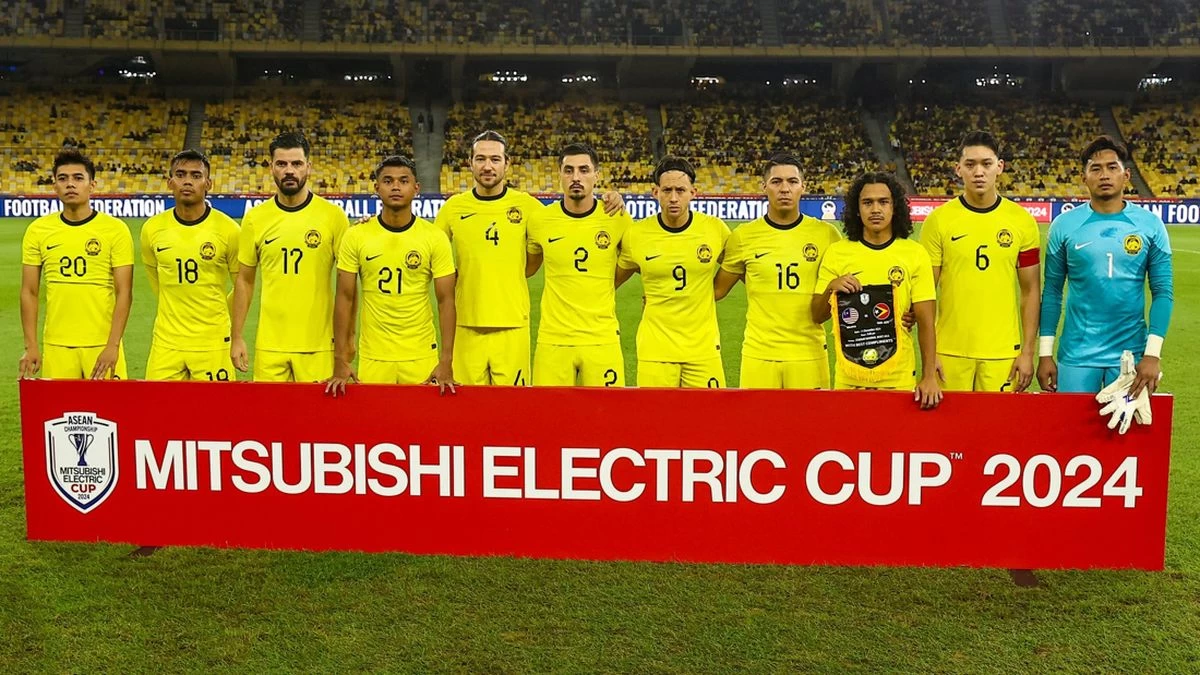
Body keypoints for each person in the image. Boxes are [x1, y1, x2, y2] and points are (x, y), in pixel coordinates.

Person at [433, 130, 624, 386]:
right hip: (465, 326)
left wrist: (613, 196)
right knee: (468, 407)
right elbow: (431, 251)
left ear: (507, 163)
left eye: (495, 159)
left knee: (515, 408)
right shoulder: (453, 208)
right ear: (470, 163)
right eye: (480, 159)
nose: (488, 166)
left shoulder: (530, 208)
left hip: (514, 326)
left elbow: (534, 262)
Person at [1037, 136, 1173, 396]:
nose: (1104, 175)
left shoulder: (1151, 225)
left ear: (1126, 175)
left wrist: (1152, 354)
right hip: (1076, 354)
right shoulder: (1064, 226)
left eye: (1112, 167)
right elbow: (1052, 292)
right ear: (1084, 177)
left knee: (1127, 424)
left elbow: (1163, 292)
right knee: (1072, 424)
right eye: (1096, 168)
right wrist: (1045, 355)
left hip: (1130, 355)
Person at [920, 131, 1041, 392]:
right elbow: (926, 294)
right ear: (958, 169)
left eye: (986, 164)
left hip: (1003, 353)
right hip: (949, 351)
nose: (978, 172)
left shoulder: (1022, 222)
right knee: (949, 421)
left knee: (998, 421)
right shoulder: (937, 221)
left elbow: (1031, 291)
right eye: (970, 164)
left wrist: (1027, 353)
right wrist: (931, 356)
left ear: (1000, 167)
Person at [326, 155, 457, 395]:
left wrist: (447, 360)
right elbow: (344, 298)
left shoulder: (434, 237)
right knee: (374, 420)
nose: (396, 187)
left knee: (421, 419)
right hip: (374, 355)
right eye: (388, 181)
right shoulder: (356, 236)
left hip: (421, 354)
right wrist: (340, 359)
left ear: (416, 188)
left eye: (403, 181)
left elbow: (446, 300)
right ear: (377, 188)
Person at [813, 172, 942, 408]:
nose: (875, 209)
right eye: (867, 202)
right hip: (849, 378)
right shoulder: (837, 252)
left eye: (883, 202)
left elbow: (926, 322)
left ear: (895, 207)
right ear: (856, 209)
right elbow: (816, 315)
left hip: (898, 377)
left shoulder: (914, 254)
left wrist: (929, 377)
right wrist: (832, 288)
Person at [715, 152, 841, 389]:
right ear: (764, 187)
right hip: (759, 354)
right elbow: (716, 290)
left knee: (809, 416)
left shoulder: (827, 234)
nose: (785, 189)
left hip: (809, 353)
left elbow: (846, 287)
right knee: (758, 416)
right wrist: (661, 292)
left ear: (803, 187)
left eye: (792, 181)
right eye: (776, 182)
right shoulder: (743, 236)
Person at [231, 131, 348, 382]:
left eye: (296, 163)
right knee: (269, 410)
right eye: (282, 164)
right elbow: (244, 281)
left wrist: (346, 342)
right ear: (271, 167)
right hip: (270, 345)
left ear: (308, 167)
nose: (289, 171)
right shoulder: (255, 219)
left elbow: (348, 285)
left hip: (318, 345)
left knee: (317, 410)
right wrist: (237, 336)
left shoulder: (333, 217)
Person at [616, 156, 730, 388]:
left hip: (703, 349)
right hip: (655, 349)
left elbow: (737, 267)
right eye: (667, 190)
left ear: (693, 193)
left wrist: (706, 294)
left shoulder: (715, 229)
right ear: (655, 192)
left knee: (709, 411)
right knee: (655, 412)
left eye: (681, 190)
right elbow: (611, 281)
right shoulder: (636, 235)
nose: (674, 198)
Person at [20, 148, 133, 380]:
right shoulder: (38, 231)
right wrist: (31, 346)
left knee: (111, 405)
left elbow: (124, 292)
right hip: (57, 345)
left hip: (101, 344)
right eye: (63, 178)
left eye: (78, 178)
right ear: (55, 186)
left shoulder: (116, 230)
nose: (70, 184)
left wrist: (113, 345)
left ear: (92, 185)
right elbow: (29, 291)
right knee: (59, 405)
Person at [526, 142, 633, 386]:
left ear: (597, 175)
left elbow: (633, 261)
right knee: (548, 410)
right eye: (569, 170)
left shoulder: (617, 217)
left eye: (584, 170)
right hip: (553, 339)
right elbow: (528, 268)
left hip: (602, 338)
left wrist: (605, 284)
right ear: (559, 175)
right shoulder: (540, 220)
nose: (576, 177)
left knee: (605, 410)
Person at [139, 149, 241, 381]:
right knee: (157, 404)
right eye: (180, 174)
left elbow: (243, 284)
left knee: (215, 405)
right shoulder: (152, 229)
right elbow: (156, 279)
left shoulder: (229, 230)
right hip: (166, 341)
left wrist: (218, 310)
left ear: (208, 184)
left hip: (213, 341)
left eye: (196, 176)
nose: (187, 181)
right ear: (170, 182)